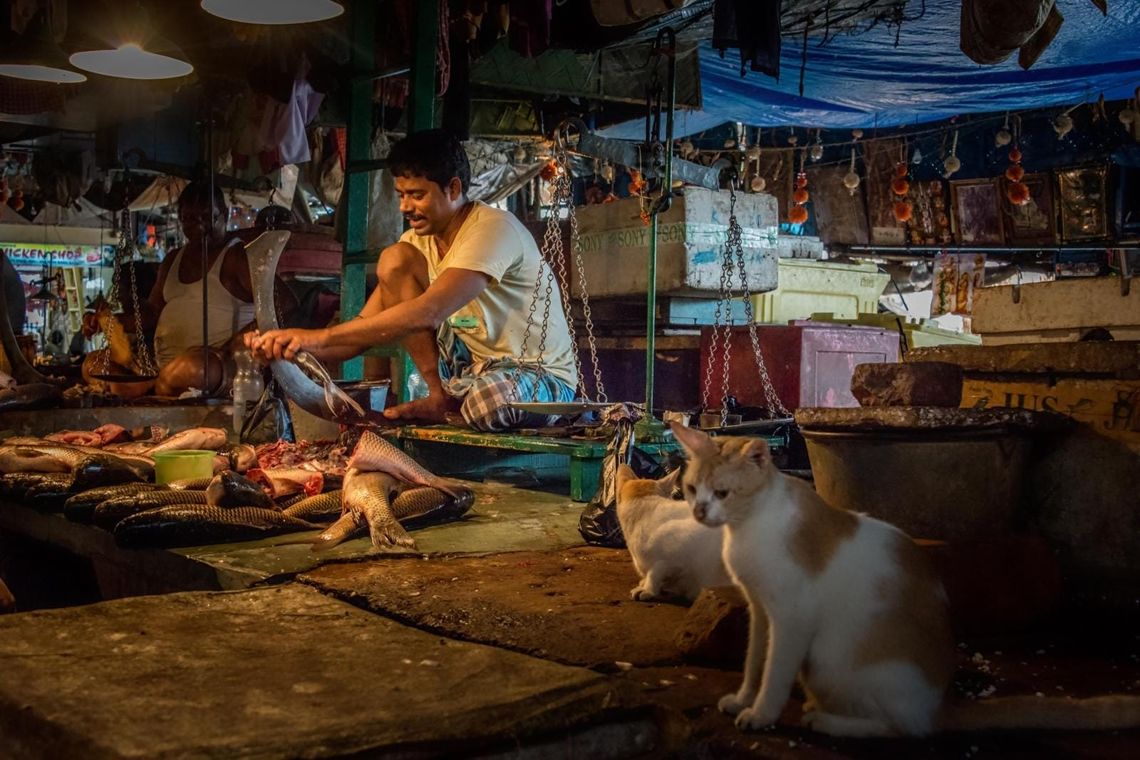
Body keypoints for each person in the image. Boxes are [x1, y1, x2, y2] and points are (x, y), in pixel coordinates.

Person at [248, 128, 579, 431]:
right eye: (401, 194)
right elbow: (361, 333)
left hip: (541, 377)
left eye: (417, 194)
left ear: (453, 188)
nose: (405, 206)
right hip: (476, 372)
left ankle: (456, 400)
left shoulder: (493, 229)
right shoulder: (416, 245)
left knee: (485, 403)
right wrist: (289, 348)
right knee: (394, 261)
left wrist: (317, 338)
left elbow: (429, 311)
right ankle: (439, 397)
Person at [146, 179, 295, 397]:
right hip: (164, 366)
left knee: (190, 368)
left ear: (223, 213)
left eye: (206, 217)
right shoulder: (172, 259)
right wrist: (114, 321)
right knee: (94, 365)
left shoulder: (237, 257)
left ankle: (159, 387)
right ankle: (160, 384)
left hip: (218, 368)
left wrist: (236, 344)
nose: (198, 226)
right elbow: (151, 311)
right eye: (189, 219)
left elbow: (286, 304)